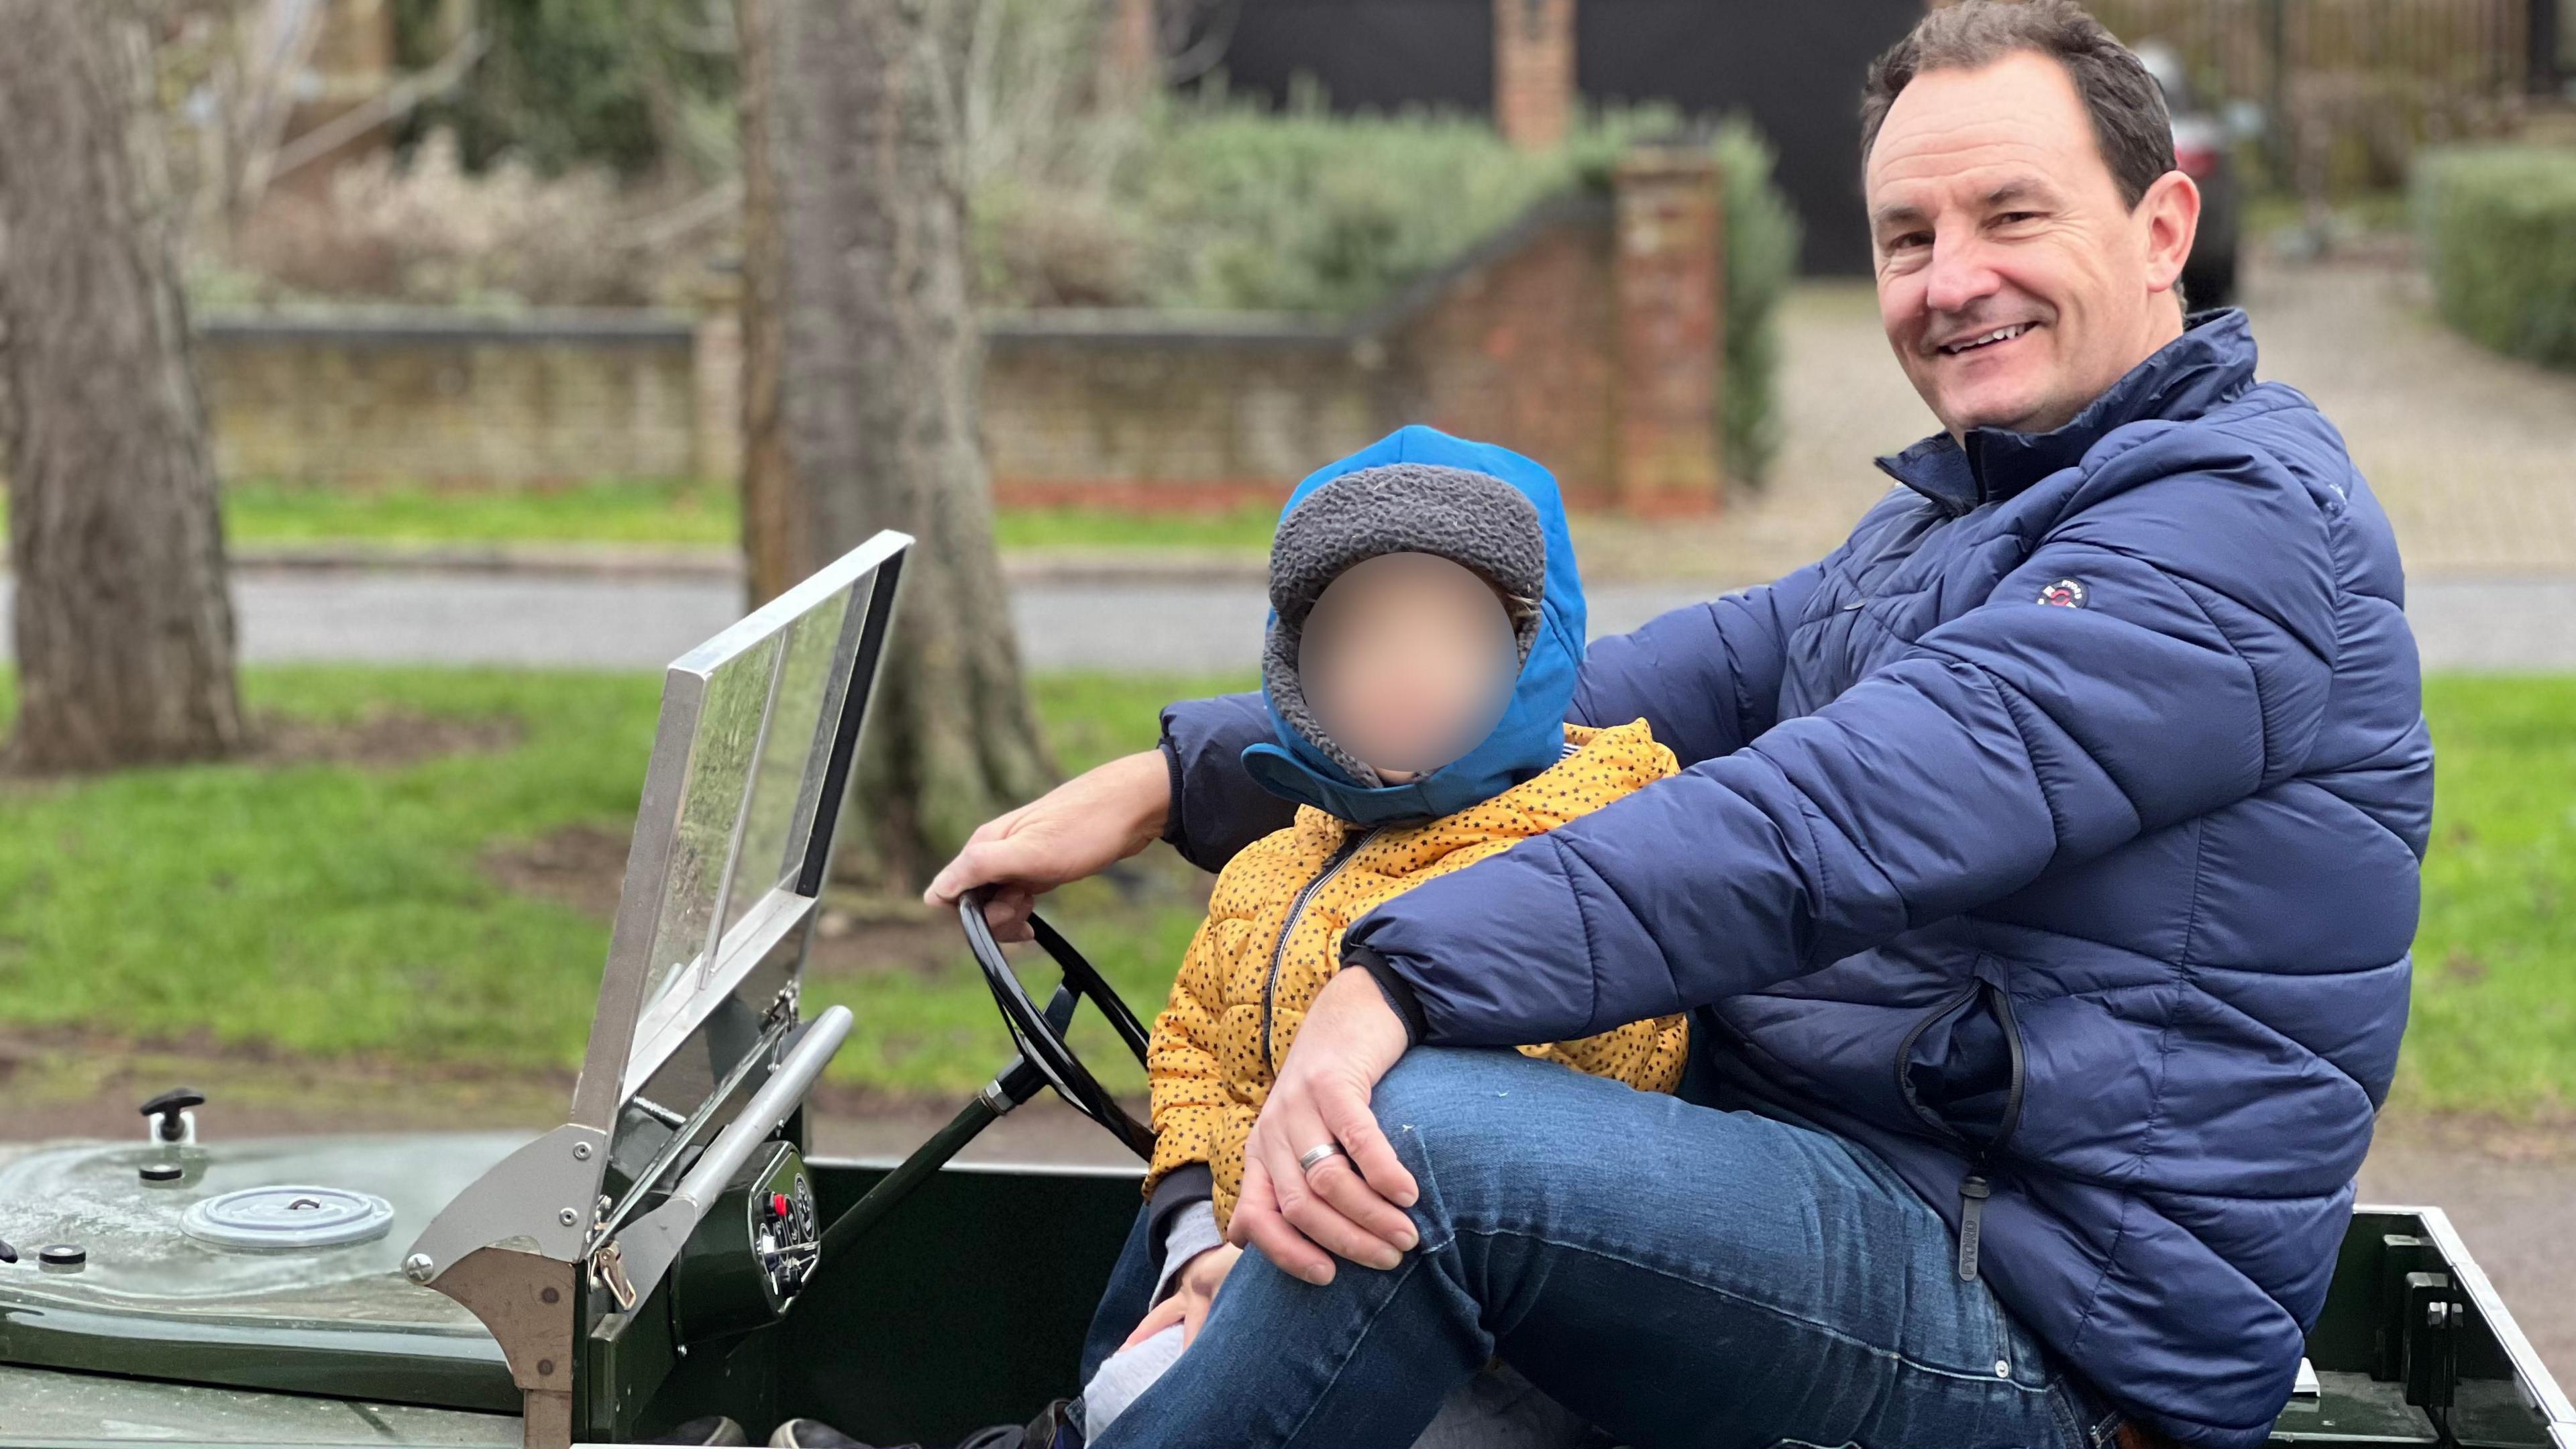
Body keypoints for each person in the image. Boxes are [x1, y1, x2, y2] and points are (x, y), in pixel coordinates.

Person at [929, 4, 2432, 1447]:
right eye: (1909, 238)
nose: (1950, 279)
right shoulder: (1956, 523)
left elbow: (1818, 822)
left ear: (2163, 230)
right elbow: (1579, 695)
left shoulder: (2236, 536)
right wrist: (1179, 777)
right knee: (1287, 1044)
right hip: (1864, 1190)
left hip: (2043, 1327)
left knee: (1415, 1131)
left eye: (2011, 216)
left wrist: (1402, 984)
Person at [1079, 429, 1689, 1444]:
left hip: (1477, 1339)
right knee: (1126, 1361)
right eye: (1358, 639)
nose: (1404, 674)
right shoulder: (1279, 861)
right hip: (1238, 1261)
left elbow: (1523, 1116)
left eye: (1452, 637)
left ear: (1534, 652)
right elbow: (1189, 1046)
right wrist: (1195, 1240)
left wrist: (1259, 1284)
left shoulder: (1587, 854)